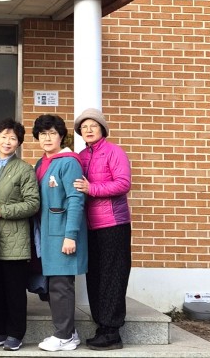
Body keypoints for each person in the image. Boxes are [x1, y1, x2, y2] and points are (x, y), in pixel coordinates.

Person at [72, 108, 132, 352]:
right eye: (84, 127)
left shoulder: (114, 152)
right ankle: (101, 327)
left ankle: (112, 331)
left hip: (113, 225)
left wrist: (92, 189)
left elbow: (123, 183)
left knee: (113, 276)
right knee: (95, 275)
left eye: (92, 126)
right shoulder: (81, 155)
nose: (88, 130)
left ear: (102, 129)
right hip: (90, 226)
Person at [32, 114, 88, 353]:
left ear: (61, 136)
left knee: (61, 285)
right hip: (46, 234)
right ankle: (68, 332)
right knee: (53, 284)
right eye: (42, 134)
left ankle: (64, 335)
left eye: (52, 133)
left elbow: (76, 199)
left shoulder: (69, 162)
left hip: (62, 233)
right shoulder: (41, 163)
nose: (47, 138)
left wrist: (71, 235)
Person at [0, 120, 40, 352]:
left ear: (18, 143)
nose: (7, 142)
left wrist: (2, 211)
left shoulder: (24, 169)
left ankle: (16, 333)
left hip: (15, 240)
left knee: (15, 290)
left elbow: (33, 203)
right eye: (4, 137)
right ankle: (0, 330)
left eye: (13, 138)